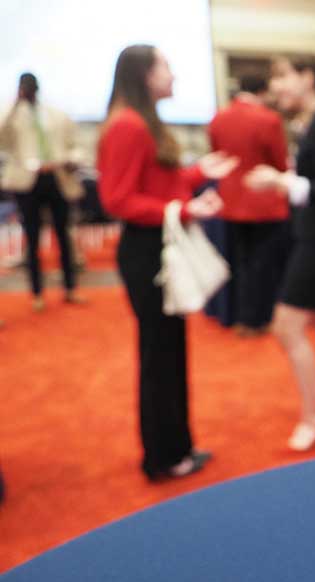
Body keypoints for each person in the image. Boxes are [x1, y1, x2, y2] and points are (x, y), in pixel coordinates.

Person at [97, 45, 238, 480]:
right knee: (160, 353)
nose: (174, 75)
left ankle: (175, 447)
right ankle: (162, 456)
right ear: (144, 75)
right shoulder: (129, 125)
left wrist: (196, 177)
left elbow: (156, 184)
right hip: (147, 251)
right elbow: (117, 199)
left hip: (155, 247)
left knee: (169, 350)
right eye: (166, 67)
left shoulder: (139, 123)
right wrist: (182, 209)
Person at [244, 55, 315, 452]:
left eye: (282, 78)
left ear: (307, 78)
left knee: (287, 326)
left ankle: (314, 416)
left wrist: (280, 180)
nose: (276, 87)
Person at [208, 74, 290, 336]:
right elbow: (280, 164)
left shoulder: (218, 118)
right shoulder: (269, 119)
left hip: (230, 201)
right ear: (263, 91)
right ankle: (258, 318)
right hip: (264, 203)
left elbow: (217, 156)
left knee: (239, 260)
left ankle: (240, 315)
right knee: (263, 264)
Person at [0, 73, 85, 311]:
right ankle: (36, 292)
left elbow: (75, 145)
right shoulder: (13, 115)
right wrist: (15, 103)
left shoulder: (55, 114)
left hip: (56, 176)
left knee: (63, 236)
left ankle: (70, 287)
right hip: (28, 182)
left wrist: (71, 159)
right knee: (32, 237)